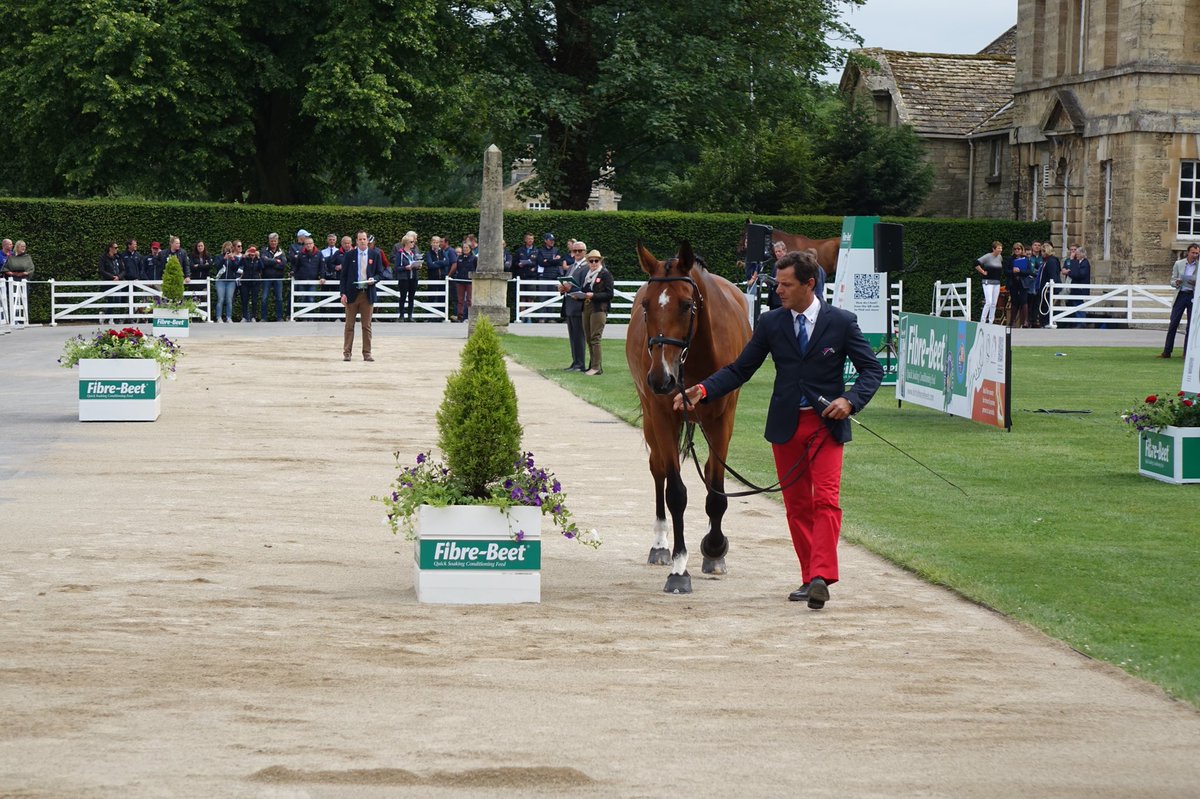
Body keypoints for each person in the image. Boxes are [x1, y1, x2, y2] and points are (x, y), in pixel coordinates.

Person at [672, 249, 883, 610]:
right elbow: (739, 370)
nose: (779, 290)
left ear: (809, 284)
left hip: (826, 427)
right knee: (797, 506)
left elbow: (872, 370)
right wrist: (704, 390)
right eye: (777, 283)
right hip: (785, 426)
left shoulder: (842, 322)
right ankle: (809, 578)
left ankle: (821, 575)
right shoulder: (772, 323)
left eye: (786, 285)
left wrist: (850, 401)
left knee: (827, 501)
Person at [339, 230, 385, 361]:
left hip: (367, 294)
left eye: (364, 239)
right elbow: (343, 276)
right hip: (352, 294)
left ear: (367, 240)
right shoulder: (349, 255)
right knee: (349, 325)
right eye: (360, 239)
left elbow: (380, 273)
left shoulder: (375, 255)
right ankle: (347, 353)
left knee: (366, 326)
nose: (363, 241)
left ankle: (367, 353)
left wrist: (374, 279)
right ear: (356, 241)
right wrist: (342, 293)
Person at [1159, 243, 1199, 358]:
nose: (1195, 255)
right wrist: (1176, 282)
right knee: (1173, 323)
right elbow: (1172, 280)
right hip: (1181, 295)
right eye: (1193, 253)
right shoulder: (1179, 264)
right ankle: (1167, 352)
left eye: (1197, 253)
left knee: (1191, 326)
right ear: (1188, 252)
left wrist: (1196, 284)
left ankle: (1187, 353)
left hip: (1193, 296)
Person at [580, 249, 614, 376]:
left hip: (599, 308)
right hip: (587, 307)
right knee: (589, 338)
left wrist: (593, 295)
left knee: (595, 338)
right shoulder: (588, 275)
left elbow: (610, 294)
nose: (593, 263)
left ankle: (596, 367)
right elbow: (584, 290)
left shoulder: (605, 274)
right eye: (591, 261)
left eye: (596, 260)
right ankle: (592, 365)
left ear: (600, 261)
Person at [558, 242, 590, 371]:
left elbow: (585, 286)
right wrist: (562, 287)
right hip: (569, 304)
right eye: (575, 250)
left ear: (585, 252)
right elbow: (567, 282)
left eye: (580, 251)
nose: (577, 253)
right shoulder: (571, 266)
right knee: (573, 336)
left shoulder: (587, 267)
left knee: (579, 336)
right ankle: (575, 361)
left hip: (578, 305)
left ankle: (580, 363)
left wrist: (571, 287)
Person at [292, 235, 325, 314]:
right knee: (302, 299)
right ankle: (302, 317)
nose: (308, 245)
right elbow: (296, 266)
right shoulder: (301, 254)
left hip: (313, 280)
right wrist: (293, 274)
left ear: (313, 244)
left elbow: (322, 267)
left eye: (310, 243)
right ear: (304, 245)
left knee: (311, 299)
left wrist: (322, 277)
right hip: (302, 280)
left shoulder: (319, 254)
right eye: (306, 244)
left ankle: (310, 317)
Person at [393, 231, 421, 321]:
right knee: (403, 296)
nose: (413, 243)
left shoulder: (413, 253)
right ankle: (401, 316)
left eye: (413, 242)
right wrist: (406, 267)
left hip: (413, 277)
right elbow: (397, 268)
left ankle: (410, 316)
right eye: (411, 242)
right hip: (404, 278)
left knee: (411, 297)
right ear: (406, 243)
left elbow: (415, 263)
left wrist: (418, 265)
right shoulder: (400, 253)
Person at [974, 241, 1004, 324]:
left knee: (994, 303)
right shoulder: (988, 256)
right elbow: (976, 263)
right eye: (998, 248)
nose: (1000, 250)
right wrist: (983, 272)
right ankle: (982, 321)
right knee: (989, 302)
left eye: (1001, 248)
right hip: (988, 282)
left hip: (997, 282)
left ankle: (991, 321)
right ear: (993, 249)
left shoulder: (1000, 257)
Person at [260, 232, 288, 321]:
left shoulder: (281, 251)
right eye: (272, 241)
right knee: (264, 298)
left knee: (279, 298)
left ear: (277, 241)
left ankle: (279, 318)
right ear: (269, 241)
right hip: (266, 277)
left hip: (278, 277)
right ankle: (264, 318)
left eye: (275, 241)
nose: (273, 243)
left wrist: (270, 261)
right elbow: (263, 262)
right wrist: (276, 261)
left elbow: (283, 264)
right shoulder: (264, 250)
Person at [450, 235, 476, 322]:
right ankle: (460, 316)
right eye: (464, 247)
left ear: (470, 248)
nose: (465, 249)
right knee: (460, 300)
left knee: (469, 300)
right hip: (460, 280)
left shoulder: (474, 258)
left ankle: (468, 316)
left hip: (469, 281)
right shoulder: (459, 258)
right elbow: (456, 268)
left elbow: (476, 269)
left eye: (466, 247)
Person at [213, 241, 240, 323]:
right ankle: (219, 317)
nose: (228, 250)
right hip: (220, 281)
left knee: (229, 300)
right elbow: (217, 266)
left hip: (231, 281)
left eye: (230, 248)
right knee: (220, 299)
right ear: (224, 248)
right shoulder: (219, 257)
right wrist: (224, 259)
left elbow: (236, 269)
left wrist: (233, 259)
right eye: (227, 248)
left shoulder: (234, 257)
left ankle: (229, 317)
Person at [1007, 242, 1029, 328]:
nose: (1017, 251)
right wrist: (1013, 271)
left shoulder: (1026, 259)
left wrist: (1020, 271)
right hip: (1013, 282)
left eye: (1018, 249)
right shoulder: (1010, 259)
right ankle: (1012, 322)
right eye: (1015, 249)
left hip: (1023, 282)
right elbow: (1006, 271)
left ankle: (1025, 321)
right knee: (1014, 302)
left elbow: (1028, 271)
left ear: (1022, 249)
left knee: (1024, 301)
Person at [1038, 243, 1060, 328]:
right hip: (1044, 287)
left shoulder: (1051, 261)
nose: (1041, 253)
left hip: (1048, 288)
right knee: (1044, 305)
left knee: (1047, 305)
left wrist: (1050, 287)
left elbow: (1052, 275)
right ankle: (1044, 322)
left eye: (1043, 251)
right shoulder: (1046, 261)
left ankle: (1047, 322)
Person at [240, 244, 262, 322]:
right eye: (251, 250)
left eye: (254, 251)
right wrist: (244, 256)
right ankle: (245, 317)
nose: (252, 252)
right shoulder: (245, 259)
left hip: (255, 282)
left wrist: (258, 258)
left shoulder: (257, 259)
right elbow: (240, 265)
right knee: (244, 300)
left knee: (254, 300)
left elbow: (261, 267)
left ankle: (253, 317)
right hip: (245, 282)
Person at [1025, 241, 1043, 327]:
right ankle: (1027, 320)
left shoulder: (1042, 257)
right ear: (1032, 246)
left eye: (1039, 245)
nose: (1037, 247)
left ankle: (1035, 321)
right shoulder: (1029, 257)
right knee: (1028, 302)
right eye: (1035, 245)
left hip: (1038, 283)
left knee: (1037, 302)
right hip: (1029, 283)